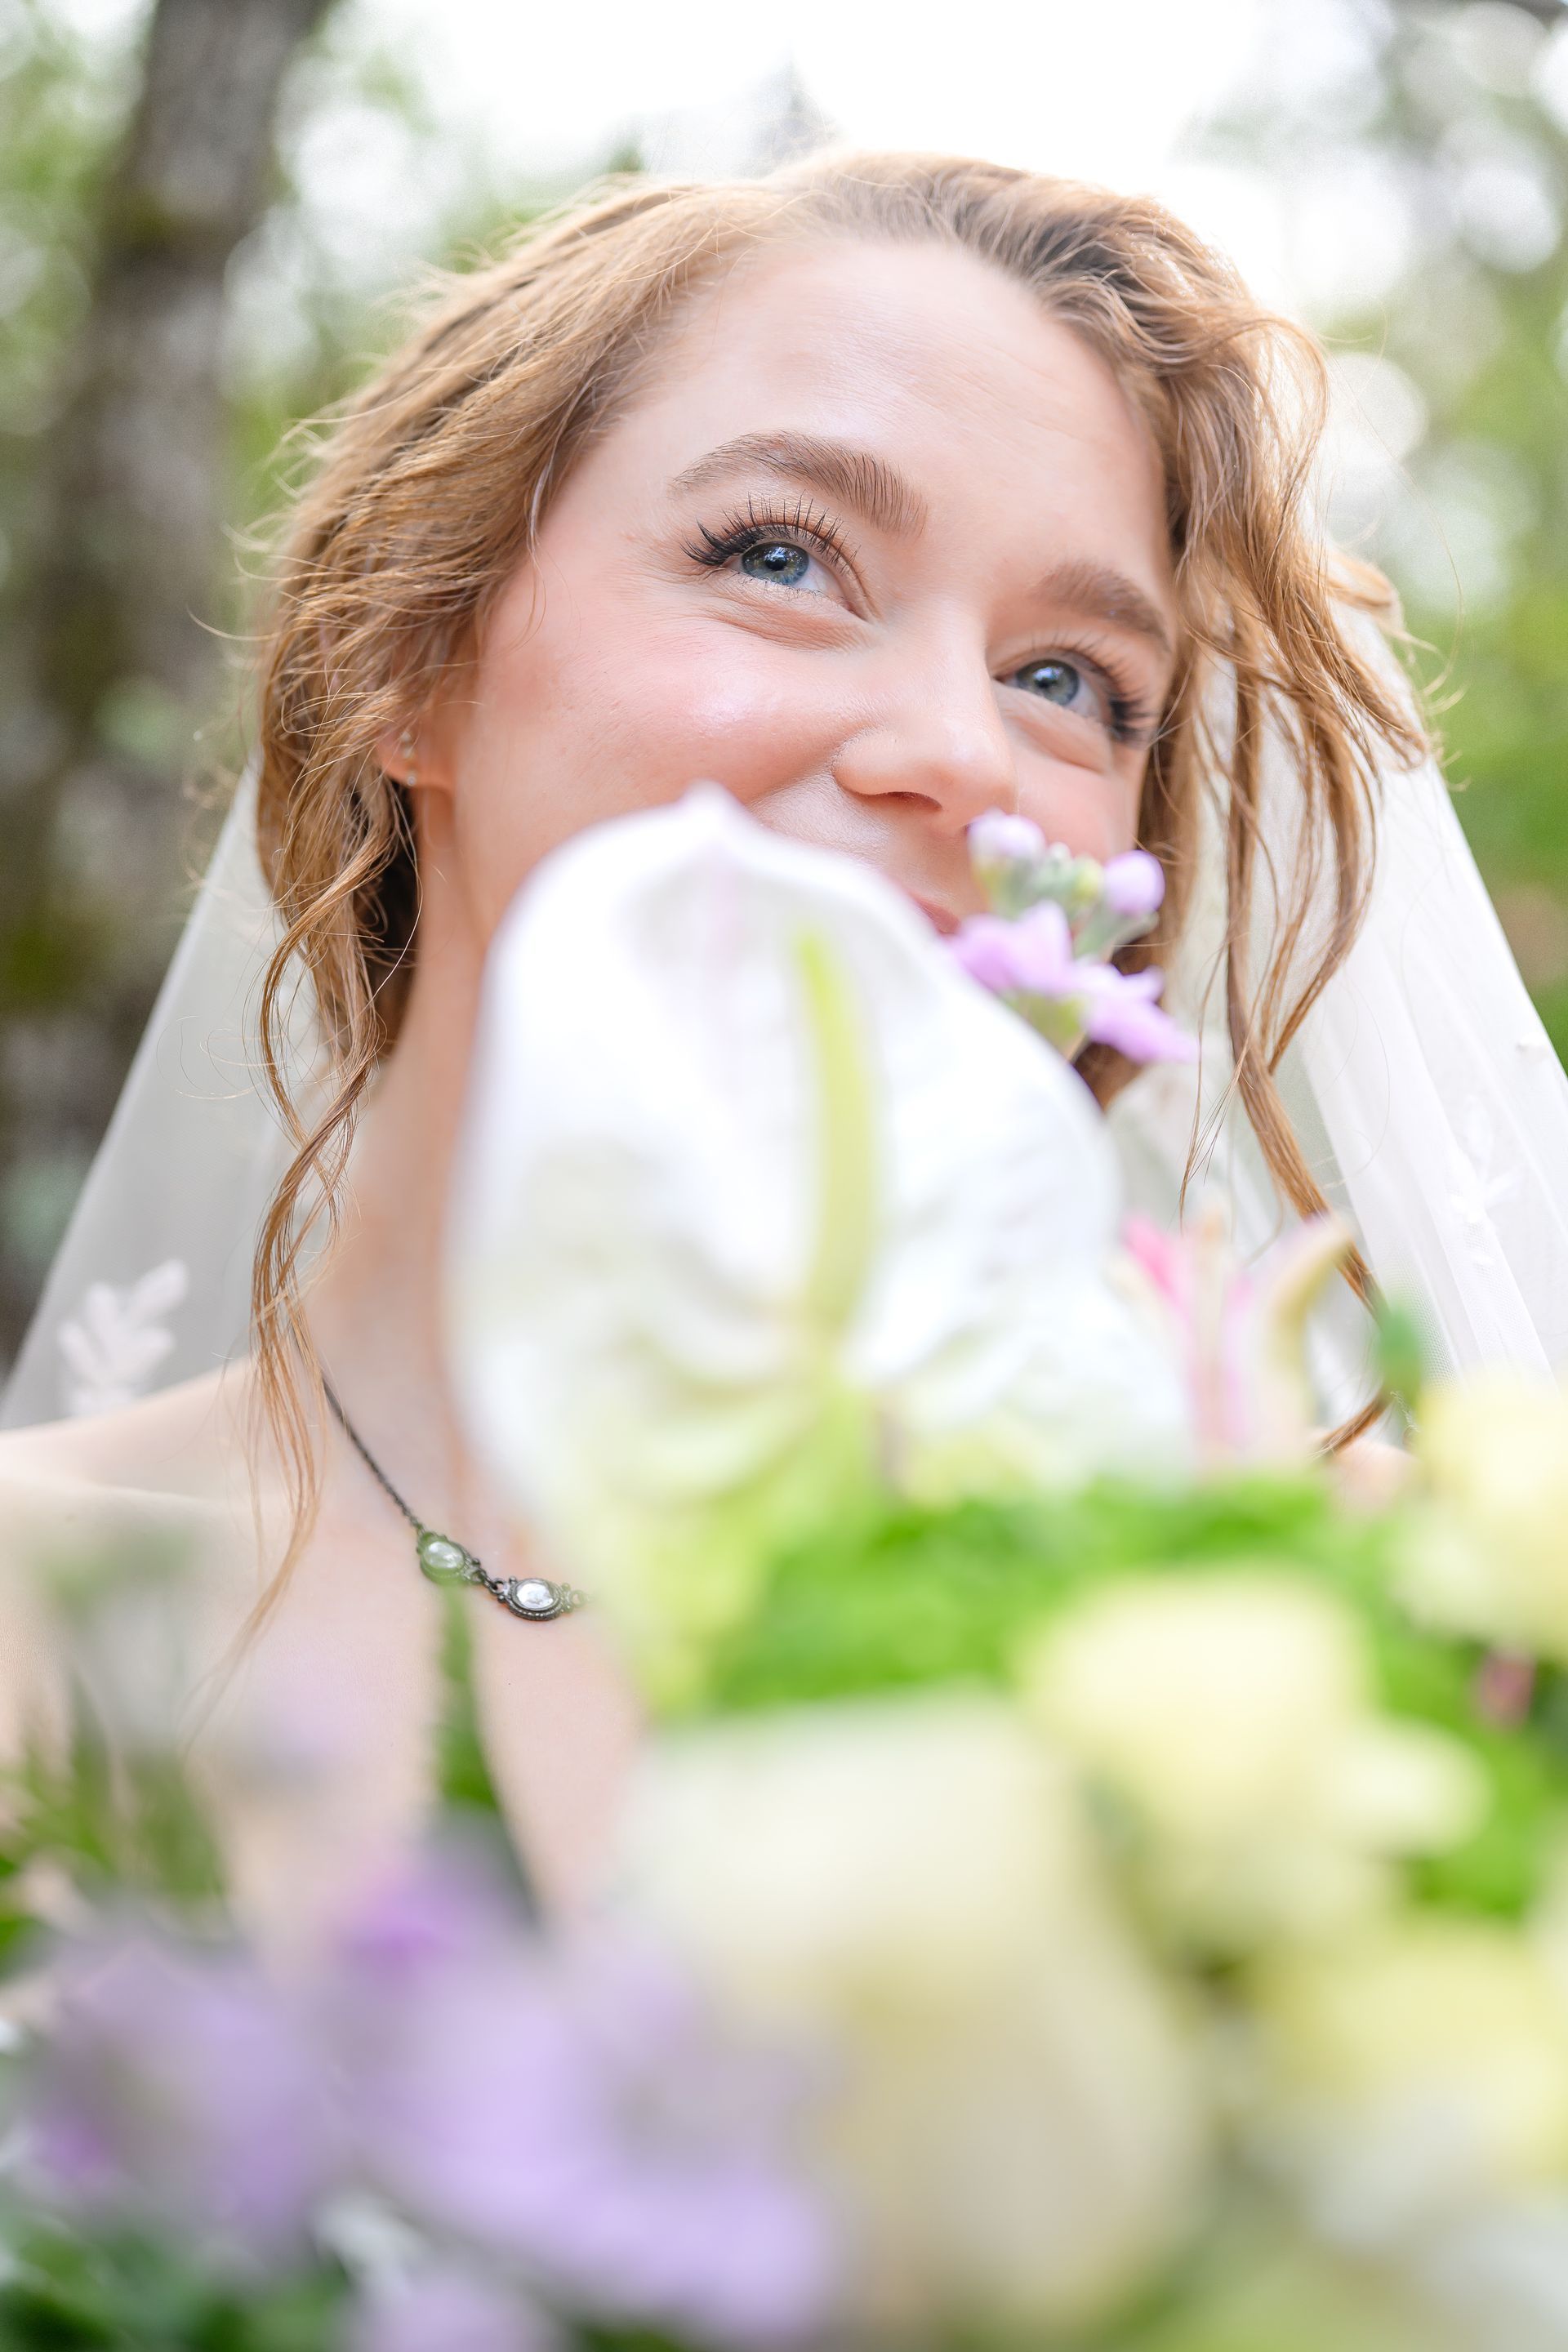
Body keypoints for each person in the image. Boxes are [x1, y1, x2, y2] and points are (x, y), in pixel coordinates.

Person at [3, 153, 1566, 1931]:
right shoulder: (39, 1604)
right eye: (781, 557)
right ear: (416, 658)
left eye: (1068, 681)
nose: (963, 754)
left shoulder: (1345, 1623)